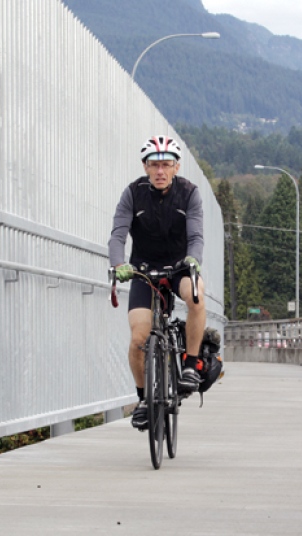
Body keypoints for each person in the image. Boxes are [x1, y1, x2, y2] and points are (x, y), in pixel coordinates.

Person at [108, 135, 206, 430]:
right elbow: (118, 235)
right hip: (141, 271)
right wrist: (118, 264)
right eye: (154, 165)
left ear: (176, 167)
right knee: (139, 339)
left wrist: (193, 259)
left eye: (166, 165)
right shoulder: (133, 194)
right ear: (145, 167)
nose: (160, 171)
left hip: (179, 266)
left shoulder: (189, 193)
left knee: (197, 294)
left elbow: (196, 236)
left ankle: (190, 364)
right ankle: (142, 400)